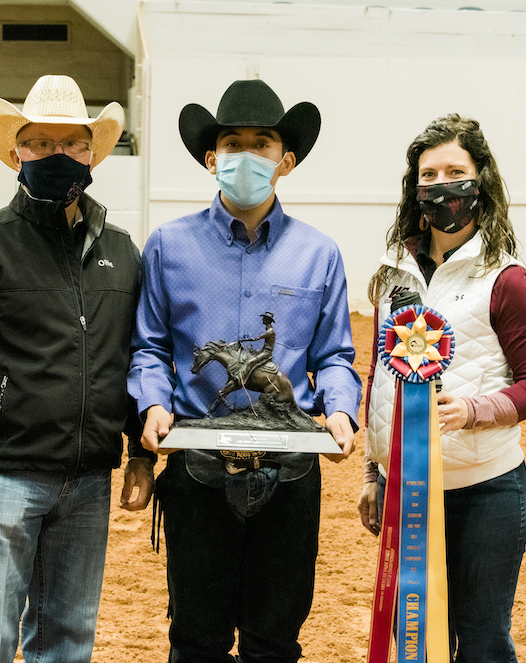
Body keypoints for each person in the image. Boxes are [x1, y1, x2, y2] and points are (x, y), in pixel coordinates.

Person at [0, 75, 155, 663]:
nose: (56, 155)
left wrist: (138, 452)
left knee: (68, 640)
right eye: (41, 143)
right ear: (17, 151)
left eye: (70, 144)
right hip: (1, 479)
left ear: (92, 154)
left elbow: (136, 356)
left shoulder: (120, 253)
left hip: (89, 481)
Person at [128, 79, 362, 663]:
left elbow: (333, 355)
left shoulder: (320, 253)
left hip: (288, 473)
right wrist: (154, 404)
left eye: (263, 144)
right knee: (195, 640)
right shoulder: (166, 247)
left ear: (285, 161)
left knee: (274, 642)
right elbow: (150, 347)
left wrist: (338, 408)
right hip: (196, 471)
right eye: (233, 142)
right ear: (212, 158)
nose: (246, 155)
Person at [357, 113, 526, 661]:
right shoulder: (393, 272)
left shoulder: (507, 280)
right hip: (406, 492)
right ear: (414, 186)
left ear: (480, 179)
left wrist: (472, 409)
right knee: (418, 643)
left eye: (455, 171)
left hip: (486, 491)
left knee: (482, 643)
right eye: (429, 174)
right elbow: (382, 376)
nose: (441, 185)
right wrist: (375, 472)